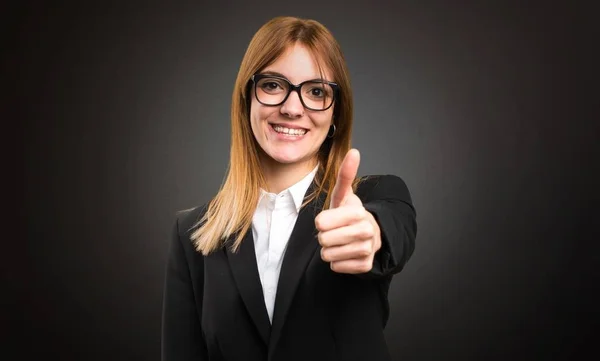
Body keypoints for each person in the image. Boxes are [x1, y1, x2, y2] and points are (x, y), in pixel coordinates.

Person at [161, 16, 417, 361]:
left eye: (316, 92)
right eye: (272, 85)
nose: (292, 108)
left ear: (336, 113)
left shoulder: (374, 197)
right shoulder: (192, 233)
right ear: (246, 100)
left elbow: (391, 229)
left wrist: (371, 234)